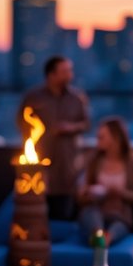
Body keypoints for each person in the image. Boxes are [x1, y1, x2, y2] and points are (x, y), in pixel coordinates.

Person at [18, 55, 90, 220]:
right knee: (35, 210)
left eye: (69, 71)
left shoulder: (76, 98)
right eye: (64, 71)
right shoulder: (33, 97)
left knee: (63, 210)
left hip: (66, 163)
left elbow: (86, 124)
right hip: (40, 161)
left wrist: (70, 127)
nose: (69, 75)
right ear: (51, 74)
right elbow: (21, 122)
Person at [76, 117, 133, 245]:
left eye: (102, 137)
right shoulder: (94, 160)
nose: (97, 140)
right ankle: (99, 236)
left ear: (115, 138)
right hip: (96, 209)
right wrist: (87, 193)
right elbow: (81, 194)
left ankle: (105, 239)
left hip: (120, 215)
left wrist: (120, 193)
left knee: (117, 228)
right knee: (91, 215)